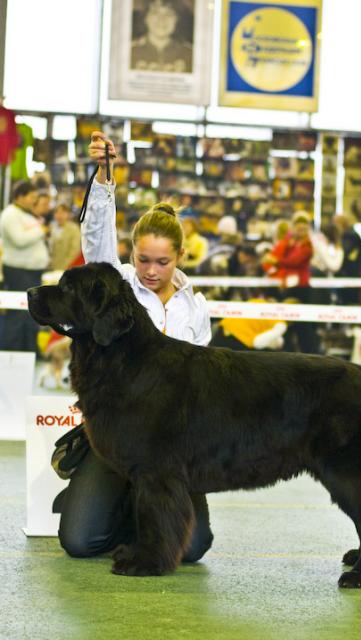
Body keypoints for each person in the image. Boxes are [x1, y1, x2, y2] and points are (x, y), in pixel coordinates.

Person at [58, 131, 213, 563]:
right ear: (130, 254)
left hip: (173, 448)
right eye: (143, 259)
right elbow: (94, 239)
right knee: (80, 542)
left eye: (162, 262)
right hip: (117, 437)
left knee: (194, 547)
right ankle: (127, 511)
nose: (150, 270)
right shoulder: (117, 285)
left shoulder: (195, 308)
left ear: (180, 256)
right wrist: (105, 178)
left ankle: (142, 512)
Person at [0, 180, 49, 351]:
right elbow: (20, 240)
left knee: (31, 313)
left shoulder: (26, 214)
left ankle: (30, 349)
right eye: (32, 197)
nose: (34, 201)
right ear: (20, 196)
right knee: (18, 314)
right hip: (19, 271)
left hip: (32, 272)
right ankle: (12, 352)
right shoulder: (9, 215)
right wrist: (40, 231)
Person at [262, 211, 319, 354]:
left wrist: (275, 261)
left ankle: (311, 353)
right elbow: (280, 254)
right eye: (298, 228)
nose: (301, 231)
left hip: (301, 289)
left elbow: (294, 262)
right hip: (289, 288)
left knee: (303, 327)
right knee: (287, 324)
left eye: (304, 229)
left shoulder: (308, 247)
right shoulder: (290, 243)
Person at [131, 0, 193, 73]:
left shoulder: (190, 54)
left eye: (169, 14)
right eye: (155, 13)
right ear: (145, 18)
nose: (162, 19)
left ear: (177, 20)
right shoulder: (130, 51)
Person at [48, 204, 81, 271]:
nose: (59, 215)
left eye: (62, 212)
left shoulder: (74, 228)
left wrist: (65, 266)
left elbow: (75, 251)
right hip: (51, 266)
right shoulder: (51, 227)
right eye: (57, 212)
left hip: (67, 267)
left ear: (68, 214)